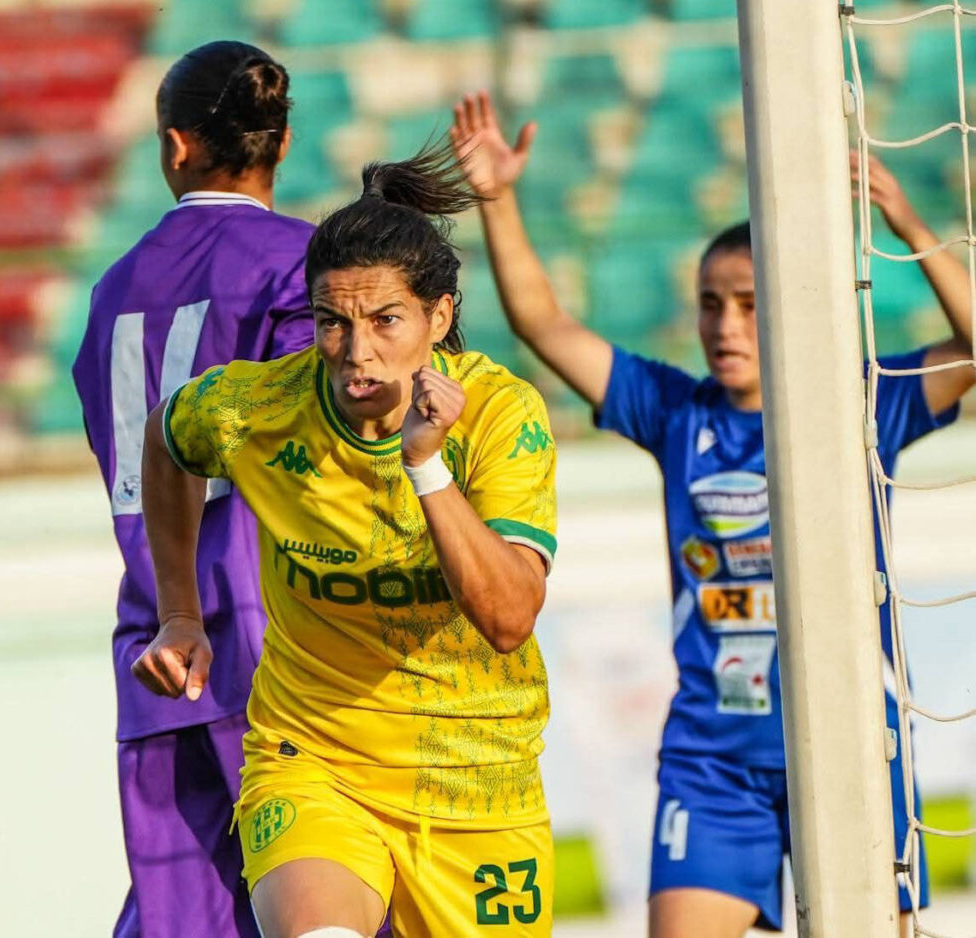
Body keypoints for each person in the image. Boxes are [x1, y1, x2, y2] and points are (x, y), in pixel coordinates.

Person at [450, 90, 974, 938]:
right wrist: (500, 200)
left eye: (750, 302)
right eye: (709, 302)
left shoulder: (862, 405)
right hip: (714, 762)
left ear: (795, 299)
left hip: (851, 747)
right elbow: (544, 324)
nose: (724, 325)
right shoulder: (675, 410)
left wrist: (912, 226)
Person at [132, 143, 560, 938]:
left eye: (385, 321)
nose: (357, 352)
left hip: (478, 784)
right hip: (315, 762)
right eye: (333, 322)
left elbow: (508, 619)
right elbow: (166, 439)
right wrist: (179, 613)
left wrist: (427, 468)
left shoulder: (503, 418)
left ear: (437, 317)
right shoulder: (258, 407)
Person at [72, 40, 314, 938]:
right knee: (330, 899)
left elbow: (119, 448)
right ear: (281, 143)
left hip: (157, 647)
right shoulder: (306, 265)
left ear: (175, 146)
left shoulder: (111, 289)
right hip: (281, 637)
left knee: (183, 918)